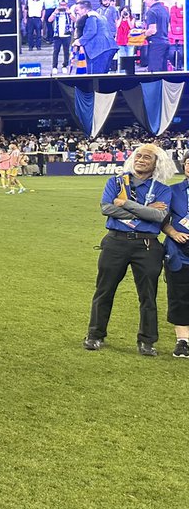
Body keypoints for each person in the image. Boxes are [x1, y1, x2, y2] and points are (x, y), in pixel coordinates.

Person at [84, 143, 173, 356]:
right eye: (139, 156)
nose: (141, 160)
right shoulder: (115, 181)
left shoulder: (162, 189)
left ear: (156, 163)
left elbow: (160, 217)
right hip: (116, 242)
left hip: (147, 245)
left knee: (148, 295)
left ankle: (147, 341)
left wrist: (124, 204)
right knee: (104, 290)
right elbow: (107, 208)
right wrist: (145, 211)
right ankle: (95, 335)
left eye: (147, 157)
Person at [161, 177, 189, 359]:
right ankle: (183, 341)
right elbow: (161, 219)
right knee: (179, 295)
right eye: (187, 163)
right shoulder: (173, 190)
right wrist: (173, 233)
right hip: (179, 251)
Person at [144, 0, 171, 74]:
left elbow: (152, 30)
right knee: (163, 72)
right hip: (165, 43)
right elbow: (168, 28)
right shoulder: (165, 10)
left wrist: (142, 34)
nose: (144, 1)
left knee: (154, 73)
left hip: (156, 45)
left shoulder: (151, 11)